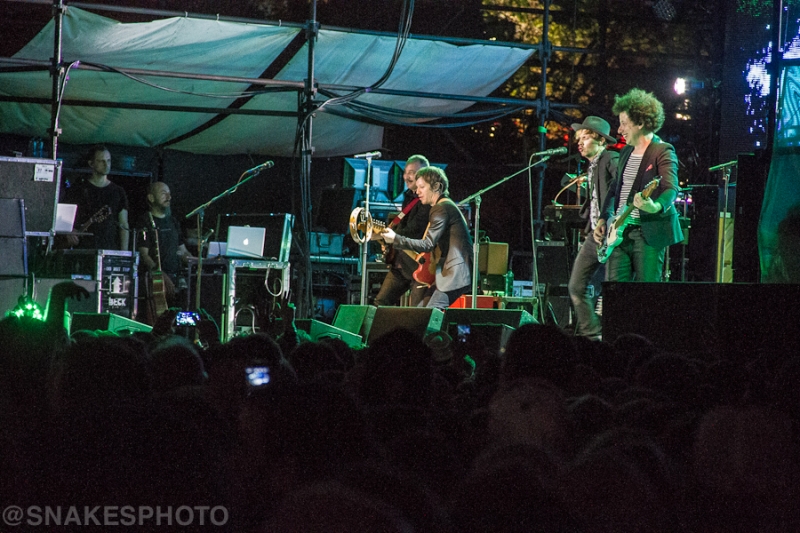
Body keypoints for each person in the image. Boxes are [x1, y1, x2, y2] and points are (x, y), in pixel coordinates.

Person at [593, 88, 683, 283]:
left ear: (641, 123)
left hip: (648, 234)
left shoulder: (662, 150)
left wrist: (655, 206)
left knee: (646, 293)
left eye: (624, 123)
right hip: (619, 233)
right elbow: (615, 189)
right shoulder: (626, 152)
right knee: (615, 292)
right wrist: (603, 218)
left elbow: (671, 188)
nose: (619, 130)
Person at [382, 166, 473, 310]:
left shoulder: (441, 208)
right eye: (417, 187)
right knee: (422, 312)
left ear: (436, 187)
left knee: (428, 314)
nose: (417, 191)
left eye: (422, 187)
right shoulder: (444, 206)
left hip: (455, 274)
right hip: (450, 273)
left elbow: (427, 244)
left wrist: (395, 238)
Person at [567, 116, 618, 339]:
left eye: (586, 138)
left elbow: (622, 184)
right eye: (579, 139)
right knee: (576, 286)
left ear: (600, 140)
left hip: (613, 233)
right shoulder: (593, 165)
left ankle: (609, 335)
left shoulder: (610, 157)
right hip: (595, 235)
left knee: (613, 291)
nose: (580, 143)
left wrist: (609, 218)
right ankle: (593, 334)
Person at [373, 155, 432, 307]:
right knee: (380, 304)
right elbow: (403, 224)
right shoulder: (408, 196)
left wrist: (391, 237)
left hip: (418, 264)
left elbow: (415, 230)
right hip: (401, 263)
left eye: (412, 172)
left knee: (416, 313)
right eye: (405, 172)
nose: (406, 176)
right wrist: (384, 237)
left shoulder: (428, 199)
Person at [136, 182, 194, 320]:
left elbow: (183, 251)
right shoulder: (145, 221)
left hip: (176, 278)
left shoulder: (173, 221)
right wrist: (160, 274)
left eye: (169, 194)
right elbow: (144, 254)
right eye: (163, 193)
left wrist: (200, 261)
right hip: (156, 282)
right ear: (151, 198)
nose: (168, 197)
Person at [66, 144, 130, 250]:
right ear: (91, 163)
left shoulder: (118, 191)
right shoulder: (78, 189)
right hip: (82, 249)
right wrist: (70, 231)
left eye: (108, 161)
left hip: (108, 248)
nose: (106, 165)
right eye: (101, 161)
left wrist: (124, 253)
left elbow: (123, 224)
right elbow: (64, 216)